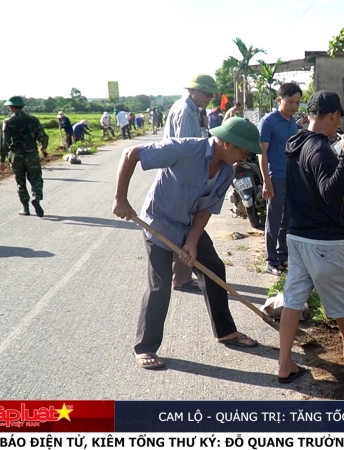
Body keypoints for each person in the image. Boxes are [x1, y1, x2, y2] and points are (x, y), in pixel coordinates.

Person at [112, 117, 263, 369]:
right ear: (225, 142)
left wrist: (192, 242)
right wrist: (120, 198)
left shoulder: (226, 170)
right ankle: (145, 347)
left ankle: (225, 331)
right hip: (159, 223)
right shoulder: (183, 149)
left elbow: (205, 209)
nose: (245, 154)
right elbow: (131, 154)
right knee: (160, 285)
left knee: (214, 268)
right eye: (242, 148)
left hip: (188, 225)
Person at [276, 91, 344, 384]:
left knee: (293, 300)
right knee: (341, 299)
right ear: (332, 116)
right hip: (323, 243)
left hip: (298, 237)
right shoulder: (319, 149)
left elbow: (315, 195)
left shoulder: (295, 144)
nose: (338, 125)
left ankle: (284, 364)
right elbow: (329, 191)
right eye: (338, 119)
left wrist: (340, 215)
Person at [164, 73, 221, 293]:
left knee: (183, 227)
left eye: (211, 94)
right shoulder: (185, 111)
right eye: (206, 93)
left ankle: (182, 276)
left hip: (182, 176)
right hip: (182, 177)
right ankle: (181, 278)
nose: (209, 97)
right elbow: (188, 150)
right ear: (193, 91)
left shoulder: (191, 110)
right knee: (183, 227)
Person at [258, 82, 302, 275]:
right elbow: (262, 154)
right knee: (274, 219)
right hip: (275, 177)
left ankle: (283, 255)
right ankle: (270, 259)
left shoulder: (294, 123)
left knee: (288, 219)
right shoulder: (268, 121)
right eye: (290, 102)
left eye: (297, 102)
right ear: (279, 100)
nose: (294, 106)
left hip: (293, 178)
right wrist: (267, 182)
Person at [0, 96, 49, 217]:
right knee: (36, 179)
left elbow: (4, 142)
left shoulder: (8, 122)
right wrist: (43, 147)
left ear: (11, 107)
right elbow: (43, 136)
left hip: (16, 157)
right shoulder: (33, 119)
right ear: (22, 106)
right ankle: (36, 197)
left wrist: (2, 159)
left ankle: (25, 208)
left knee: (20, 182)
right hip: (32, 155)